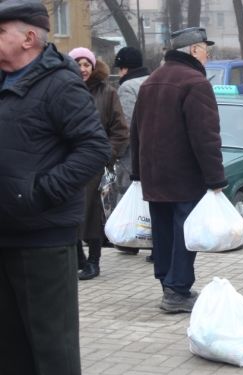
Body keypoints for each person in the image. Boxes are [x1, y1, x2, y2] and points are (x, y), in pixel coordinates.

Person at [0, 1, 111, 375]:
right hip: (5, 234)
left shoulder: (59, 84)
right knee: (12, 352)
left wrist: (39, 193)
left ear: (29, 38)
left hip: (43, 238)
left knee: (51, 351)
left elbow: (94, 148)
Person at [130, 27, 227, 313]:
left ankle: (168, 285)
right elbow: (206, 136)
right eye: (205, 49)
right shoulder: (195, 82)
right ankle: (177, 290)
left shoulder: (151, 81)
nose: (208, 55)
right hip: (185, 176)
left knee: (163, 233)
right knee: (185, 233)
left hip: (154, 175)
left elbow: (135, 131)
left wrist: (137, 172)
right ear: (194, 50)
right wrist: (215, 178)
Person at [68, 46, 129, 280]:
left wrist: (107, 155)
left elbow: (120, 130)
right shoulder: (63, 90)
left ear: (93, 67)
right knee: (69, 212)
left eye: (86, 64)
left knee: (93, 213)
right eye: (77, 64)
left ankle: (93, 261)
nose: (82, 69)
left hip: (96, 163)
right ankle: (78, 259)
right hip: (68, 162)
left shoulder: (107, 93)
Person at [113, 46, 152, 258]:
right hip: (155, 151)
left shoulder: (127, 87)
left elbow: (126, 125)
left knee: (129, 193)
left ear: (125, 69)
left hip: (134, 154)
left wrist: (116, 152)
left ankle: (129, 240)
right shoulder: (152, 80)